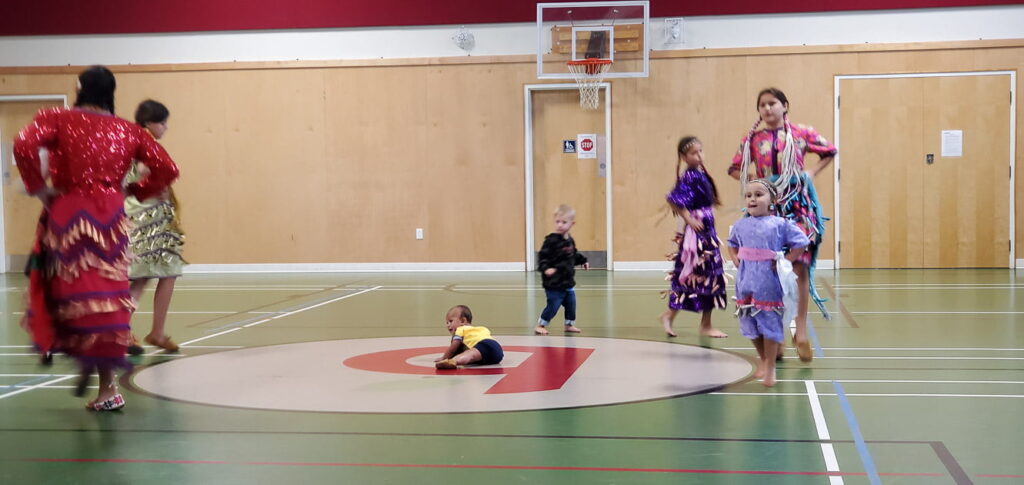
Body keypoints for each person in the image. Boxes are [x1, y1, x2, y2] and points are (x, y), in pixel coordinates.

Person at [14, 66, 179, 411]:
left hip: (69, 212)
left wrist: (39, 188)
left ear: (80, 89)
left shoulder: (57, 118)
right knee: (105, 295)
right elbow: (167, 169)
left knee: (66, 289)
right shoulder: (128, 130)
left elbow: (23, 144)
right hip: (109, 218)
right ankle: (106, 386)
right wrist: (133, 190)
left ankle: (65, 348)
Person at [728, 87, 837, 362]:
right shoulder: (752, 139)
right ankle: (773, 335)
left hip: (797, 205)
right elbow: (734, 168)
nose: (767, 109)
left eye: (772, 103)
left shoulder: (801, 133)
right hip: (768, 209)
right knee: (768, 269)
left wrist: (810, 173)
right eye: (762, 105)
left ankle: (800, 330)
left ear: (784, 106)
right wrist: (758, 185)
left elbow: (829, 150)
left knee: (799, 265)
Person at [727, 180, 809, 387]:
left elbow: (801, 242)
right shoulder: (740, 225)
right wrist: (735, 258)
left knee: (769, 322)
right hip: (745, 281)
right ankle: (763, 359)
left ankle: (771, 367)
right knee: (749, 321)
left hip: (768, 282)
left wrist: (786, 260)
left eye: (758, 194)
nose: (752, 199)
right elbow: (732, 243)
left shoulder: (780, 224)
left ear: (772, 200)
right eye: (748, 195)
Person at [124, 100, 184, 355]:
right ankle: (126, 331)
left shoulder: (143, 146)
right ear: (149, 123)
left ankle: (153, 331)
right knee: (149, 275)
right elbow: (126, 179)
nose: (165, 128)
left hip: (156, 216)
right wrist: (146, 181)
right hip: (145, 218)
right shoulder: (136, 147)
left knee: (159, 273)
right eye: (162, 123)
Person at [660, 136, 728, 338]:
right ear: (684, 157)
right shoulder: (689, 176)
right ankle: (671, 315)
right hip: (698, 235)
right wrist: (689, 218)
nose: (699, 155)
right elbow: (673, 198)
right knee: (692, 272)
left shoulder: (700, 173)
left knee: (710, 276)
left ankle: (704, 324)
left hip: (708, 231)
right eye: (693, 153)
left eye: (700, 151)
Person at [534, 204, 588, 335]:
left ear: (572, 224)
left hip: (567, 282)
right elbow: (543, 256)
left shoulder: (570, 240)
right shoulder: (551, 240)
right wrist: (546, 268)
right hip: (554, 283)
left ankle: (568, 324)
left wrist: (583, 260)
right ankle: (541, 324)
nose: (560, 225)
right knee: (554, 305)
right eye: (557, 221)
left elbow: (573, 255)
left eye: (564, 222)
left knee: (571, 304)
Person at [434, 305, 504, 369]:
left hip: (483, 345)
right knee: (473, 354)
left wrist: (444, 358)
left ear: (463, 321)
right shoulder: (481, 328)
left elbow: (454, 345)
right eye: (447, 323)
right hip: (497, 351)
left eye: (450, 321)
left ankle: (454, 361)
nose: (448, 325)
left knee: (469, 354)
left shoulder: (460, 329)